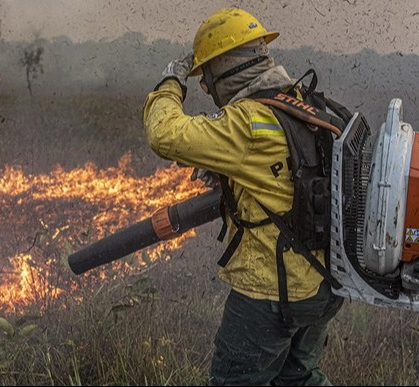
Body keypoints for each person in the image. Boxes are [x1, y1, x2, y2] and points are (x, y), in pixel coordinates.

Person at [143, 8, 344, 386]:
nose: (205, 88)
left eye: (206, 77)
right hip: (323, 288)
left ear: (225, 69)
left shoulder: (248, 122)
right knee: (298, 380)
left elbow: (164, 134)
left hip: (269, 296)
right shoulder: (306, 103)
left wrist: (171, 80)